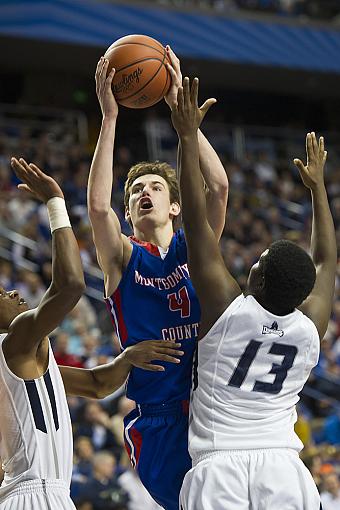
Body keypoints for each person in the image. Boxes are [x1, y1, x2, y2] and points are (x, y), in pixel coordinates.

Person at [171, 78, 337, 509]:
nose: (253, 261)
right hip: (283, 468)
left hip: (219, 465)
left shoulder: (227, 311)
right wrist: (319, 188)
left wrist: (187, 136)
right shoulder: (309, 329)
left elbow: (194, 219)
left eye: (258, 260)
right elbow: (326, 262)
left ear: (258, 280)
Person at [87, 47, 228, 510]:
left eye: (155, 187)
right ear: (129, 214)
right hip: (161, 422)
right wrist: (109, 118)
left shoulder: (196, 248)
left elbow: (220, 187)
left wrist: (183, 122)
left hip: (214, 410)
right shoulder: (124, 259)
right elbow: (96, 208)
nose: (144, 192)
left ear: (175, 206)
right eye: (135, 191)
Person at [0, 158, 183, 509]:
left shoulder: (25, 367)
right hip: (34, 494)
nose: (12, 294)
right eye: (1, 295)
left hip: (36, 493)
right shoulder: (15, 341)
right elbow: (70, 285)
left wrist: (127, 357)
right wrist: (56, 202)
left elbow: (97, 385)